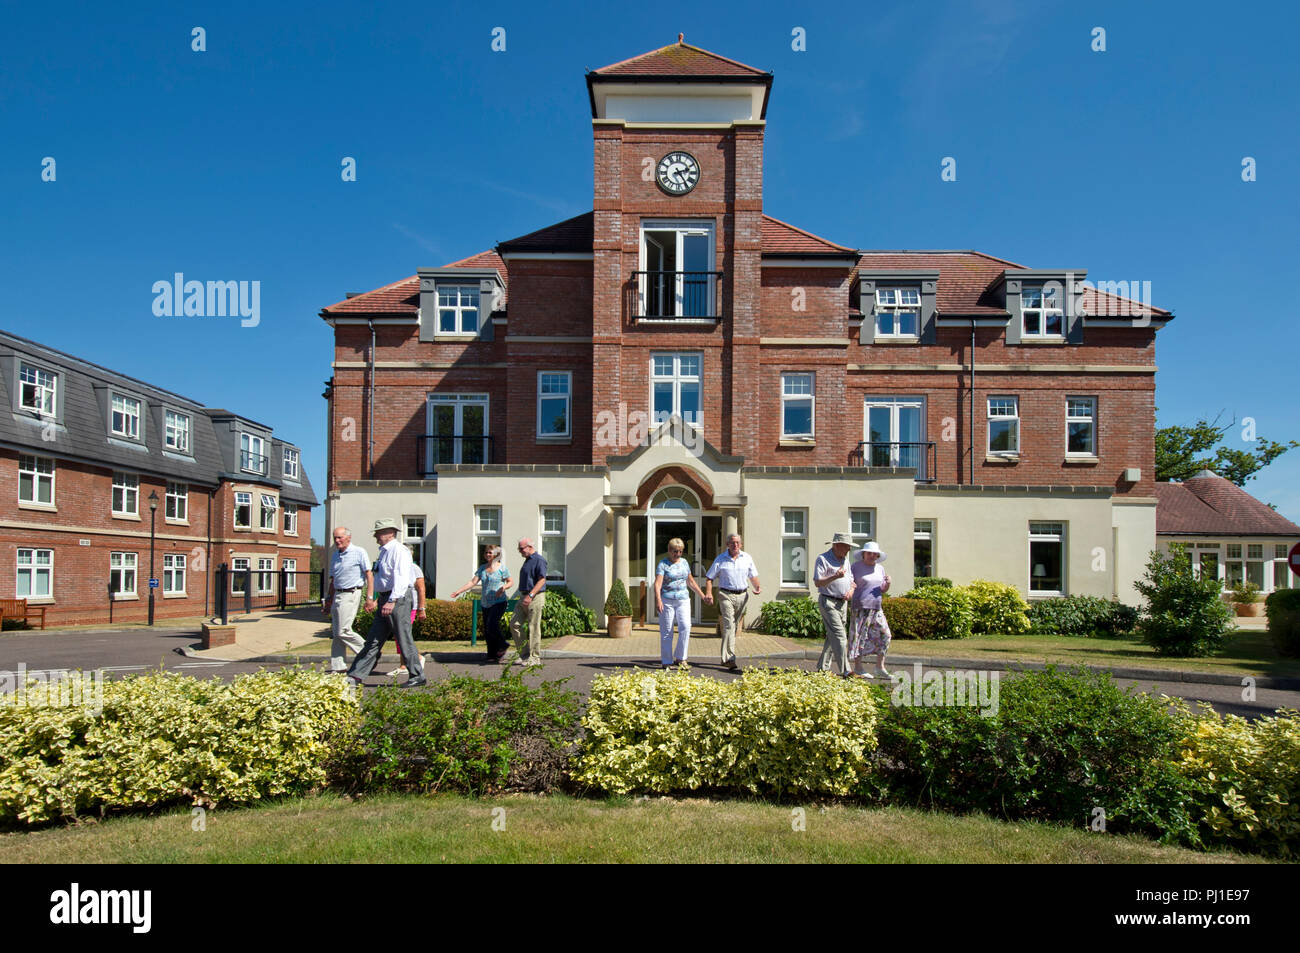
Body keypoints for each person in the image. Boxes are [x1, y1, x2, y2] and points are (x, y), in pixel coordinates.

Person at [347, 518, 426, 687]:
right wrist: (380, 599)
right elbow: (384, 578)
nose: (376, 536)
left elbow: (401, 578)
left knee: (403, 637)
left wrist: (392, 600)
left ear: (390, 533)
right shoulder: (384, 551)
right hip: (386, 598)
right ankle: (355, 675)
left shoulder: (399, 551)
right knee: (374, 638)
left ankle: (417, 675)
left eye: (379, 532)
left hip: (397, 598)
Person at [703, 533, 760, 671]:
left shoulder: (747, 558)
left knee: (732, 627)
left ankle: (724, 658)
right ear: (727, 544)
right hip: (725, 595)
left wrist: (757, 587)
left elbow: (753, 576)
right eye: (732, 542)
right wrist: (709, 593)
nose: (735, 545)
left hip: (742, 595)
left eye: (737, 543)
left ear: (741, 544)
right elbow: (709, 577)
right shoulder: (720, 559)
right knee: (729, 626)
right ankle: (730, 658)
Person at [654, 537, 711, 669]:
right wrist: (658, 600)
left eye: (680, 551)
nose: (677, 554)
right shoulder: (663, 564)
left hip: (683, 600)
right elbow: (657, 584)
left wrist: (703, 596)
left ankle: (681, 658)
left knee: (685, 626)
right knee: (667, 631)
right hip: (667, 600)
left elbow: (690, 581)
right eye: (675, 551)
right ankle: (667, 661)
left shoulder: (684, 562)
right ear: (669, 550)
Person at [450, 544, 512, 662]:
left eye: (490, 552)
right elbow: (472, 582)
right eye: (486, 553)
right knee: (487, 629)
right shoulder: (482, 568)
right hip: (485, 603)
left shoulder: (502, 568)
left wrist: (503, 588)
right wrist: (458, 591)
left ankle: (503, 644)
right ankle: (492, 655)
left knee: (492, 624)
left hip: (499, 601)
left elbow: (510, 582)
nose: (488, 555)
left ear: (496, 554)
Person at [322, 526, 372, 673]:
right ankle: (338, 667)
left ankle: (368, 653)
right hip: (337, 594)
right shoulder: (335, 555)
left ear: (348, 537)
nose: (337, 541)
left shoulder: (359, 552)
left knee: (343, 630)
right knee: (336, 633)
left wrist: (369, 598)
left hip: (351, 593)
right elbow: (333, 580)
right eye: (335, 538)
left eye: (340, 537)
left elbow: (369, 575)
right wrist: (329, 599)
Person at [848, 541, 893, 678]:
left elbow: (882, 589)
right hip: (860, 607)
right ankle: (858, 667)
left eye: (875, 554)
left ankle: (880, 667)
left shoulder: (880, 568)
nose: (872, 556)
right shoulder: (855, 567)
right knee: (859, 638)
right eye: (869, 553)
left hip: (876, 607)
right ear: (863, 554)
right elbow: (850, 584)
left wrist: (888, 583)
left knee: (885, 634)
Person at [815, 532, 856, 676]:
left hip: (842, 603)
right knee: (839, 635)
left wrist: (850, 590)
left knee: (832, 635)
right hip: (828, 601)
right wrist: (834, 576)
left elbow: (851, 581)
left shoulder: (845, 560)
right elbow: (818, 582)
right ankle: (846, 671)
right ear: (837, 545)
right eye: (846, 546)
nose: (849, 550)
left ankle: (822, 668)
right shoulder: (823, 559)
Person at [387, 545, 428, 678]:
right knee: (399, 635)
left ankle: (416, 659)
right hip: (399, 604)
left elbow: (421, 589)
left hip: (410, 606)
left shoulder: (414, 569)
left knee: (402, 634)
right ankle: (404, 665)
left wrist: (422, 608)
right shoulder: (399, 568)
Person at [508, 537, 547, 667]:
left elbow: (542, 580)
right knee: (514, 623)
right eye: (519, 548)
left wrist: (530, 595)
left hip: (534, 596)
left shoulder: (539, 560)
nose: (519, 551)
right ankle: (524, 655)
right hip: (524, 596)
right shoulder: (527, 561)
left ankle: (535, 658)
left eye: (521, 548)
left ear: (529, 546)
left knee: (533, 627)